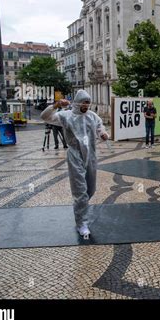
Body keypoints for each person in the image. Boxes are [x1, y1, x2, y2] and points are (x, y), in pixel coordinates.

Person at [40, 90, 109, 237]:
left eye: (88, 102)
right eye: (84, 102)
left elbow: (100, 127)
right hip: (75, 155)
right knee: (80, 191)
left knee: (91, 189)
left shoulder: (92, 116)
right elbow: (45, 117)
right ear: (77, 102)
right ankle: (82, 223)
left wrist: (103, 134)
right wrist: (56, 105)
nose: (86, 105)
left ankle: (80, 206)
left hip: (90, 155)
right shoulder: (66, 116)